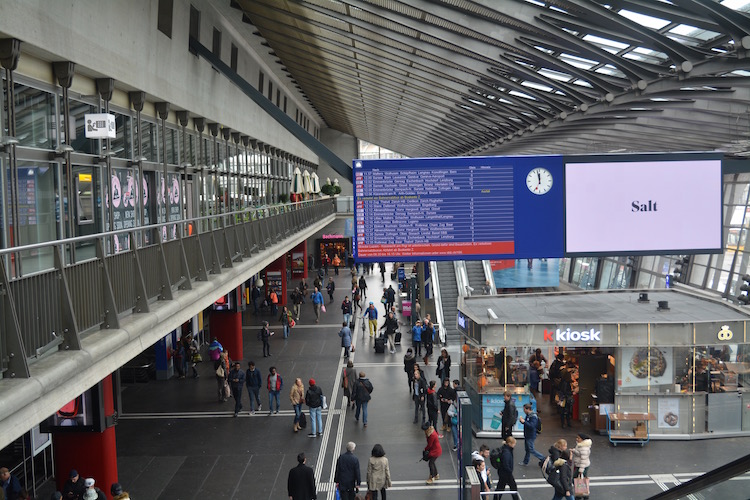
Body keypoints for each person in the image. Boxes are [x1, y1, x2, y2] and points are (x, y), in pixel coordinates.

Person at [571, 433, 592, 499]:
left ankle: (581, 495)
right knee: (581, 481)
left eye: (578, 438)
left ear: (583, 439)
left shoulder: (583, 448)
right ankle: (583, 494)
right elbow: (580, 454)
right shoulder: (581, 445)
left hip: (581, 466)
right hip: (580, 465)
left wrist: (581, 470)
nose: (577, 439)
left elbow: (583, 459)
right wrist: (574, 451)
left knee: (579, 481)